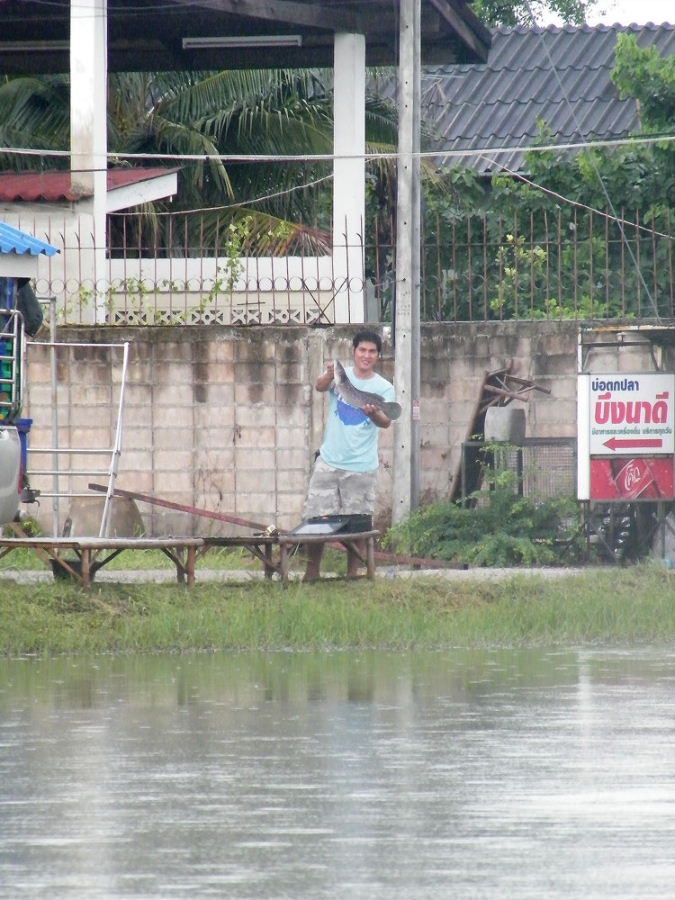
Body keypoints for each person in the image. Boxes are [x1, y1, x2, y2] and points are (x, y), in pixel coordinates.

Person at [302, 329, 395, 581]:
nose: (366, 355)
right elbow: (320, 386)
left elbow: (386, 422)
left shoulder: (383, 387)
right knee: (316, 519)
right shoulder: (339, 377)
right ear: (354, 352)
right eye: (362, 350)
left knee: (359, 523)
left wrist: (372, 413)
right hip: (329, 460)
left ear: (378, 355)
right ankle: (311, 574)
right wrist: (330, 373)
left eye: (372, 351)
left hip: (362, 466)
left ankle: (353, 575)